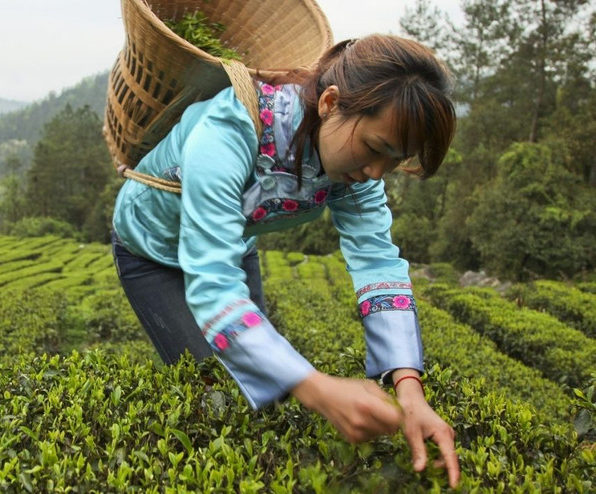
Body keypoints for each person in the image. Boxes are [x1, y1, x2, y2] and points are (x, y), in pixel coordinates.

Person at [111, 34, 460, 487]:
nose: (377, 172)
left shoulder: (355, 175)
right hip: (151, 250)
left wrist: (409, 389)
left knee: (266, 385)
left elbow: (377, 263)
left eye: (393, 161)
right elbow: (213, 283)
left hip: (231, 244)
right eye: (375, 148)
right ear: (331, 103)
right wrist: (317, 387)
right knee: (214, 388)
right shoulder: (230, 129)